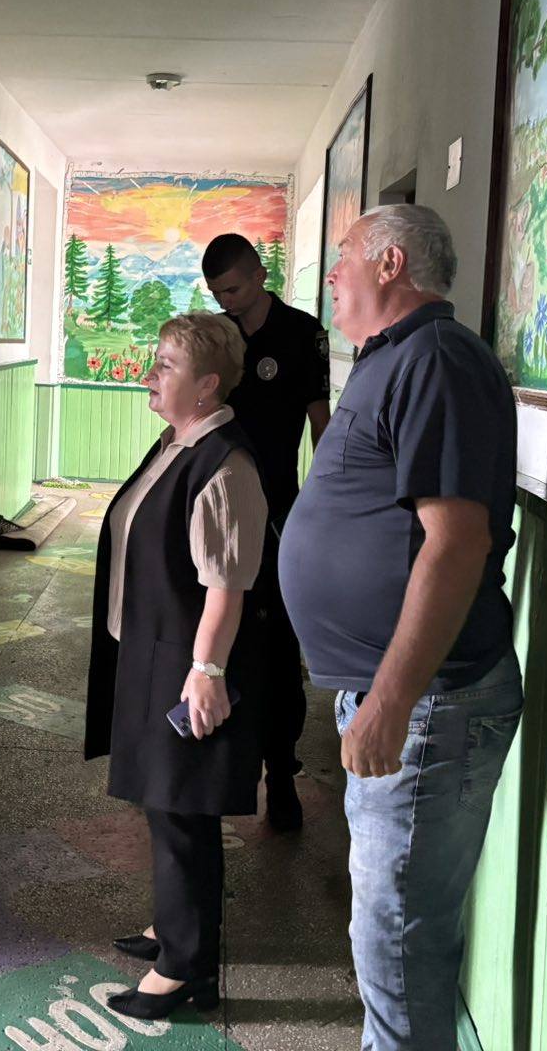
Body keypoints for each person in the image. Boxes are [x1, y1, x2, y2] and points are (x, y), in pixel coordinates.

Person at [279, 205, 523, 1051]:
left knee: (397, 944)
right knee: (385, 935)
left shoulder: (439, 358)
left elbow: (456, 543)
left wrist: (389, 700)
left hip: (429, 703)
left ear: (390, 264)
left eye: (344, 255)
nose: (331, 274)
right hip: (405, 698)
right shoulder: (391, 358)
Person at [84, 312, 269, 1020]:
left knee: (182, 806)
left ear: (208, 384)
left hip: (186, 662)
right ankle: (174, 925)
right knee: (164, 802)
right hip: (152, 651)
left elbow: (227, 585)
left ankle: (186, 969)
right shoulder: (178, 443)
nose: (149, 374)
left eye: (166, 365)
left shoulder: (224, 466)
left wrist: (207, 673)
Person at [203, 232, 330, 830]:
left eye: (232, 289)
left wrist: (325, 507)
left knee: (279, 647)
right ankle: (220, 763)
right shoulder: (217, 335)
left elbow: (320, 424)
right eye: (216, 294)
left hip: (279, 510)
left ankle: (280, 773)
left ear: (258, 275)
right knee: (216, 637)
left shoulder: (302, 334)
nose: (225, 302)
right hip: (218, 505)